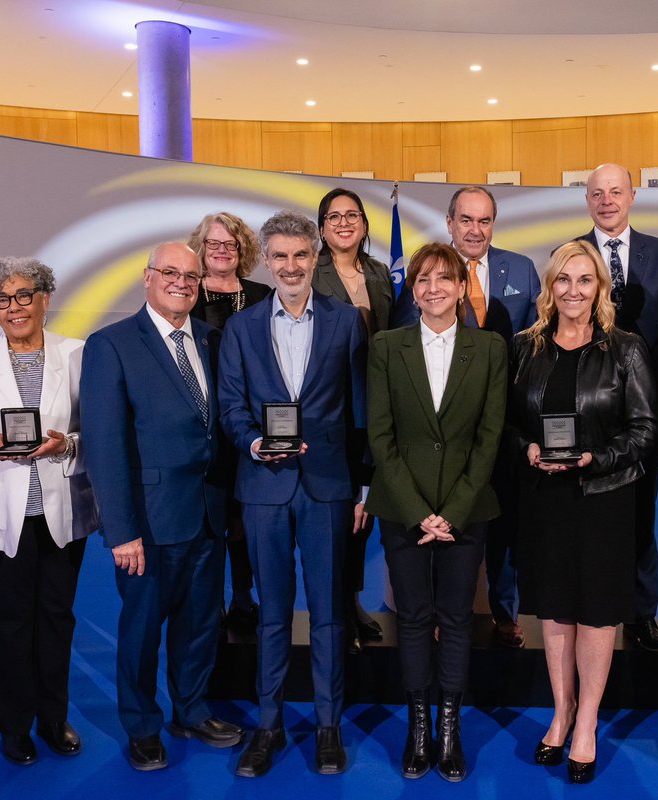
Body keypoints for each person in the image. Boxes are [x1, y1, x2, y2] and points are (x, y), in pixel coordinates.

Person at [80, 242, 242, 772]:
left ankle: (190, 710)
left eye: (191, 276)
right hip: (147, 523)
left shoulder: (215, 340)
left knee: (199, 626)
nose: (181, 283)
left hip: (207, 514)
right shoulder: (111, 344)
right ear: (146, 278)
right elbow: (105, 445)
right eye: (170, 273)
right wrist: (121, 529)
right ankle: (142, 726)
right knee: (143, 630)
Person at [218, 209, 368, 778]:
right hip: (263, 487)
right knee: (272, 614)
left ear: (315, 257)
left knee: (330, 614)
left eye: (300, 255)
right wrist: (254, 444)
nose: (290, 266)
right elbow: (232, 406)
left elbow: (360, 410)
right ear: (267, 260)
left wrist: (364, 485)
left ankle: (328, 726)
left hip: (328, 487)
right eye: (279, 256)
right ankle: (268, 724)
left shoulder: (346, 321)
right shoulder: (242, 327)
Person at [509, 240, 658, 784]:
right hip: (545, 500)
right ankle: (561, 710)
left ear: (600, 288)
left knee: (596, 614)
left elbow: (646, 429)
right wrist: (526, 449)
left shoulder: (627, 349)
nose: (573, 290)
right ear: (550, 287)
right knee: (554, 612)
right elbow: (505, 424)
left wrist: (598, 458)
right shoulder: (526, 347)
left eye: (585, 280)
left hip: (604, 499)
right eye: (563, 280)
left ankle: (588, 721)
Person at [0, 257, 96, 765]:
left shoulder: (78, 354)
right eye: (2, 300)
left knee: (56, 619)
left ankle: (54, 718)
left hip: (62, 513)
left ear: (45, 298)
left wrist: (66, 445)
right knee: (10, 624)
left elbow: (100, 432)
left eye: (24, 296)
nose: (14, 308)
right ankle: (15, 726)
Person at [366, 242, 506, 782]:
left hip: (467, 511)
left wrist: (453, 511)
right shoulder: (386, 346)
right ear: (413, 289)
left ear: (459, 286)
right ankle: (417, 726)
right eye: (421, 279)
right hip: (403, 510)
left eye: (443, 279)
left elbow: (489, 438)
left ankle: (450, 729)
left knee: (456, 618)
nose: (432, 288)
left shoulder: (490, 347)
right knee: (414, 617)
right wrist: (419, 512)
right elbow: (381, 436)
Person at [393, 185, 541, 649]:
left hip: (503, 422)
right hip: (440, 427)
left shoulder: (520, 269)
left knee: (503, 520)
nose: (475, 229)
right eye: (467, 220)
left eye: (484, 221)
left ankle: (503, 607)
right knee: (441, 515)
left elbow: (537, 341)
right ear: (450, 222)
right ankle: (436, 609)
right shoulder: (426, 274)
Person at [578, 162, 658, 652]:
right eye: (598, 193)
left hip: (643, 410)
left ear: (632, 196)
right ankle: (584, 601)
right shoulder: (573, 255)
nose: (607, 200)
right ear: (588, 199)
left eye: (615, 191)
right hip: (585, 408)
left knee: (641, 517)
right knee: (586, 512)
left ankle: (641, 614)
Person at [311, 187, 395, 654]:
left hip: (375, 405)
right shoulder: (312, 272)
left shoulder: (380, 273)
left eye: (353, 215)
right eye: (334, 216)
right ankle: (334, 606)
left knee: (366, 509)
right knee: (335, 513)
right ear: (322, 227)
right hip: (330, 407)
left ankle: (352, 599)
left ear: (364, 224)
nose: (344, 223)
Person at [188, 211, 271, 636]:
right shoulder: (184, 292)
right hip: (200, 421)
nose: (221, 251)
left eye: (230, 244)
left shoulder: (263, 294)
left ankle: (244, 597)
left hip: (249, 422)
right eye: (213, 245)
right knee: (210, 520)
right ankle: (211, 602)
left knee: (244, 519)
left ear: (243, 250)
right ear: (200, 250)